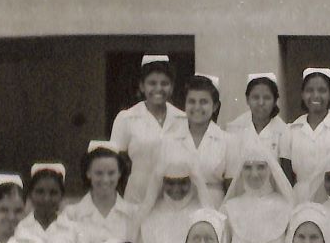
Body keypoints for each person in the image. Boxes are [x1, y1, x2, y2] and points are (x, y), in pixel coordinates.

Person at [109, 54, 186, 204]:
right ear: (142, 86)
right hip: (137, 199)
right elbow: (113, 164)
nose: (158, 88)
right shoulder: (127, 118)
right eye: (152, 83)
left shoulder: (182, 119)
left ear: (171, 87)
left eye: (164, 83)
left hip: (173, 200)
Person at [66, 141, 140, 243]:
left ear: (120, 173)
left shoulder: (133, 213)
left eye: (111, 173)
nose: (105, 179)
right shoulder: (72, 214)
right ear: (88, 173)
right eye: (99, 173)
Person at [279, 68, 330, 202]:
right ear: (303, 94)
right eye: (309, 90)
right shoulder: (291, 130)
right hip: (300, 200)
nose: (315, 95)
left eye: (322, 90)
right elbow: (286, 178)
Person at [220, 142, 296, 243]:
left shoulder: (286, 207)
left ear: (271, 170)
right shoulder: (229, 208)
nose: (254, 174)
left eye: (261, 167)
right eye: (248, 167)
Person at [160, 74, 232, 207]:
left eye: (203, 102)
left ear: (215, 106)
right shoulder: (169, 140)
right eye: (192, 101)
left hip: (215, 209)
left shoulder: (227, 141)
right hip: (177, 208)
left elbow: (231, 190)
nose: (197, 107)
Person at [137, 152, 211, 243]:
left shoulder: (202, 212)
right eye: (170, 182)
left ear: (192, 182)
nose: (176, 189)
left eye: (182, 182)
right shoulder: (149, 213)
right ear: (161, 182)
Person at [225, 73, 287, 174]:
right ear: (247, 99)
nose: (261, 103)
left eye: (267, 98)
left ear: (275, 101)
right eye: (255, 97)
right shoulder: (233, 129)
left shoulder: (284, 131)